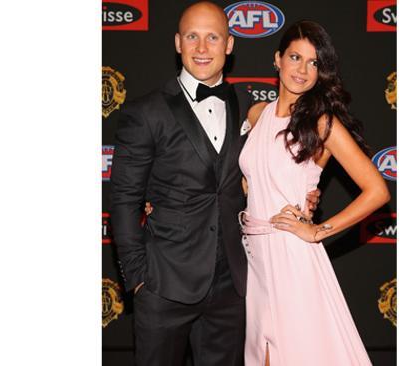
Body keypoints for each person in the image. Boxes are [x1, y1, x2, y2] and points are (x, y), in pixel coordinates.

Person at [110, 3, 318, 366]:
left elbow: (263, 172)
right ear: (178, 42)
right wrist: (139, 280)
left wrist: (302, 195)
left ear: (230, 45)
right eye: (193, 36)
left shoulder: (248, 105)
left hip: (231, 288)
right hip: (164, 285)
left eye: (213, 37)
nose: (202, 48)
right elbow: (125, 199)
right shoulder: (145, 112)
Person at [238, 20, 390, 366]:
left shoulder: (321, 123)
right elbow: (251, 180)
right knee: (262, 356)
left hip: (293, 257)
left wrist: (318, 230)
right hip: (256, 257)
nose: (302, 70)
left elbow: (377, 190)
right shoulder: (257, 114)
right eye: (295, 57)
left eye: (313, 63)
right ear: (277, 60)